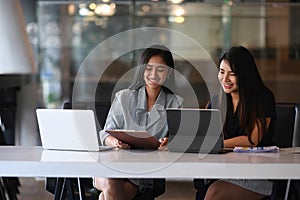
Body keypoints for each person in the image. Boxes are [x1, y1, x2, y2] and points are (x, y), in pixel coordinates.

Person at [94, 44, 183, 200]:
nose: (153, 74)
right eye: (148, 68)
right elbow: (105, 134)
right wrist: (114, 142)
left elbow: (179, 139)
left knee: (106, 196)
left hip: (143, 173)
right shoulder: (124, 97)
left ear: (169, 73)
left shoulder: (175, 103)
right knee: (111, 181)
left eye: (160, 69)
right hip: (113, 165)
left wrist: (169, 142)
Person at [196, 46, 276, 200]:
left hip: (257, 172)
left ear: (245, 75)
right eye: (221, 71)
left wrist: (218, 144)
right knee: (206, 191)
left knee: (214, 193)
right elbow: (206, 135)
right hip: (224, 169)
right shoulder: (216, 100)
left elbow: (252, 140)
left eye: (232, 74)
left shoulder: (263, 98)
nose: (225, 79)